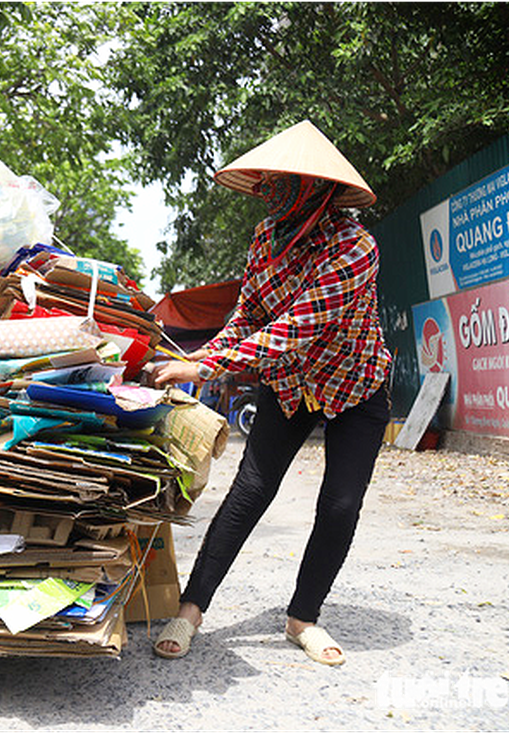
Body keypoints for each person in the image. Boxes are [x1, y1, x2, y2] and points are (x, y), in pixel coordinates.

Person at [150, 120, 392, 666]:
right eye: (268, 180)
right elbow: (248, 318)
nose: (269, 189)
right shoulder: (266, 238)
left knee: (340, 506)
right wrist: (196, 359)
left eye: (283, 180)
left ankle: (303, 617)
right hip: (288, 386)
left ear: (316, 189)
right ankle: (191, 610)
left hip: (354, 384)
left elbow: (296, 327)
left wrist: (205, 368)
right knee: (250, 491)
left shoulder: (355, 247)